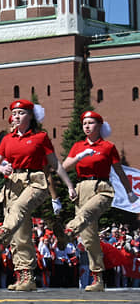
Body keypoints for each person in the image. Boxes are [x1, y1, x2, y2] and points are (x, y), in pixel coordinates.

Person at [0, 99, 76, 291]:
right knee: (21, 233)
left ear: (30, 116)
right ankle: (25, 276)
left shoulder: (40, 137)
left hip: (35, 181)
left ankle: (1, 233)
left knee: (19, 209)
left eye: (22, 112)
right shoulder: (7, 139)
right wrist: (2, 167)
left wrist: (69, 186)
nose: (17, 116)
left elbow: (55, 164)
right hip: (13, 183)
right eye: (15, 113)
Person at [60, 111, 138, 291]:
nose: (86, 126)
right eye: (84, 123)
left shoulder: (108, 147)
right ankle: (98, 280)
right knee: (89, 238)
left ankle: (68, 230)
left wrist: (129, 192)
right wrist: (71, 187)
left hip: (102, 188)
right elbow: (64, 168)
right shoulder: (78, 146)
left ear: (99, 126)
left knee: (86, 214)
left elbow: (119, 171)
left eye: (91, 123)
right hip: (81, 188)